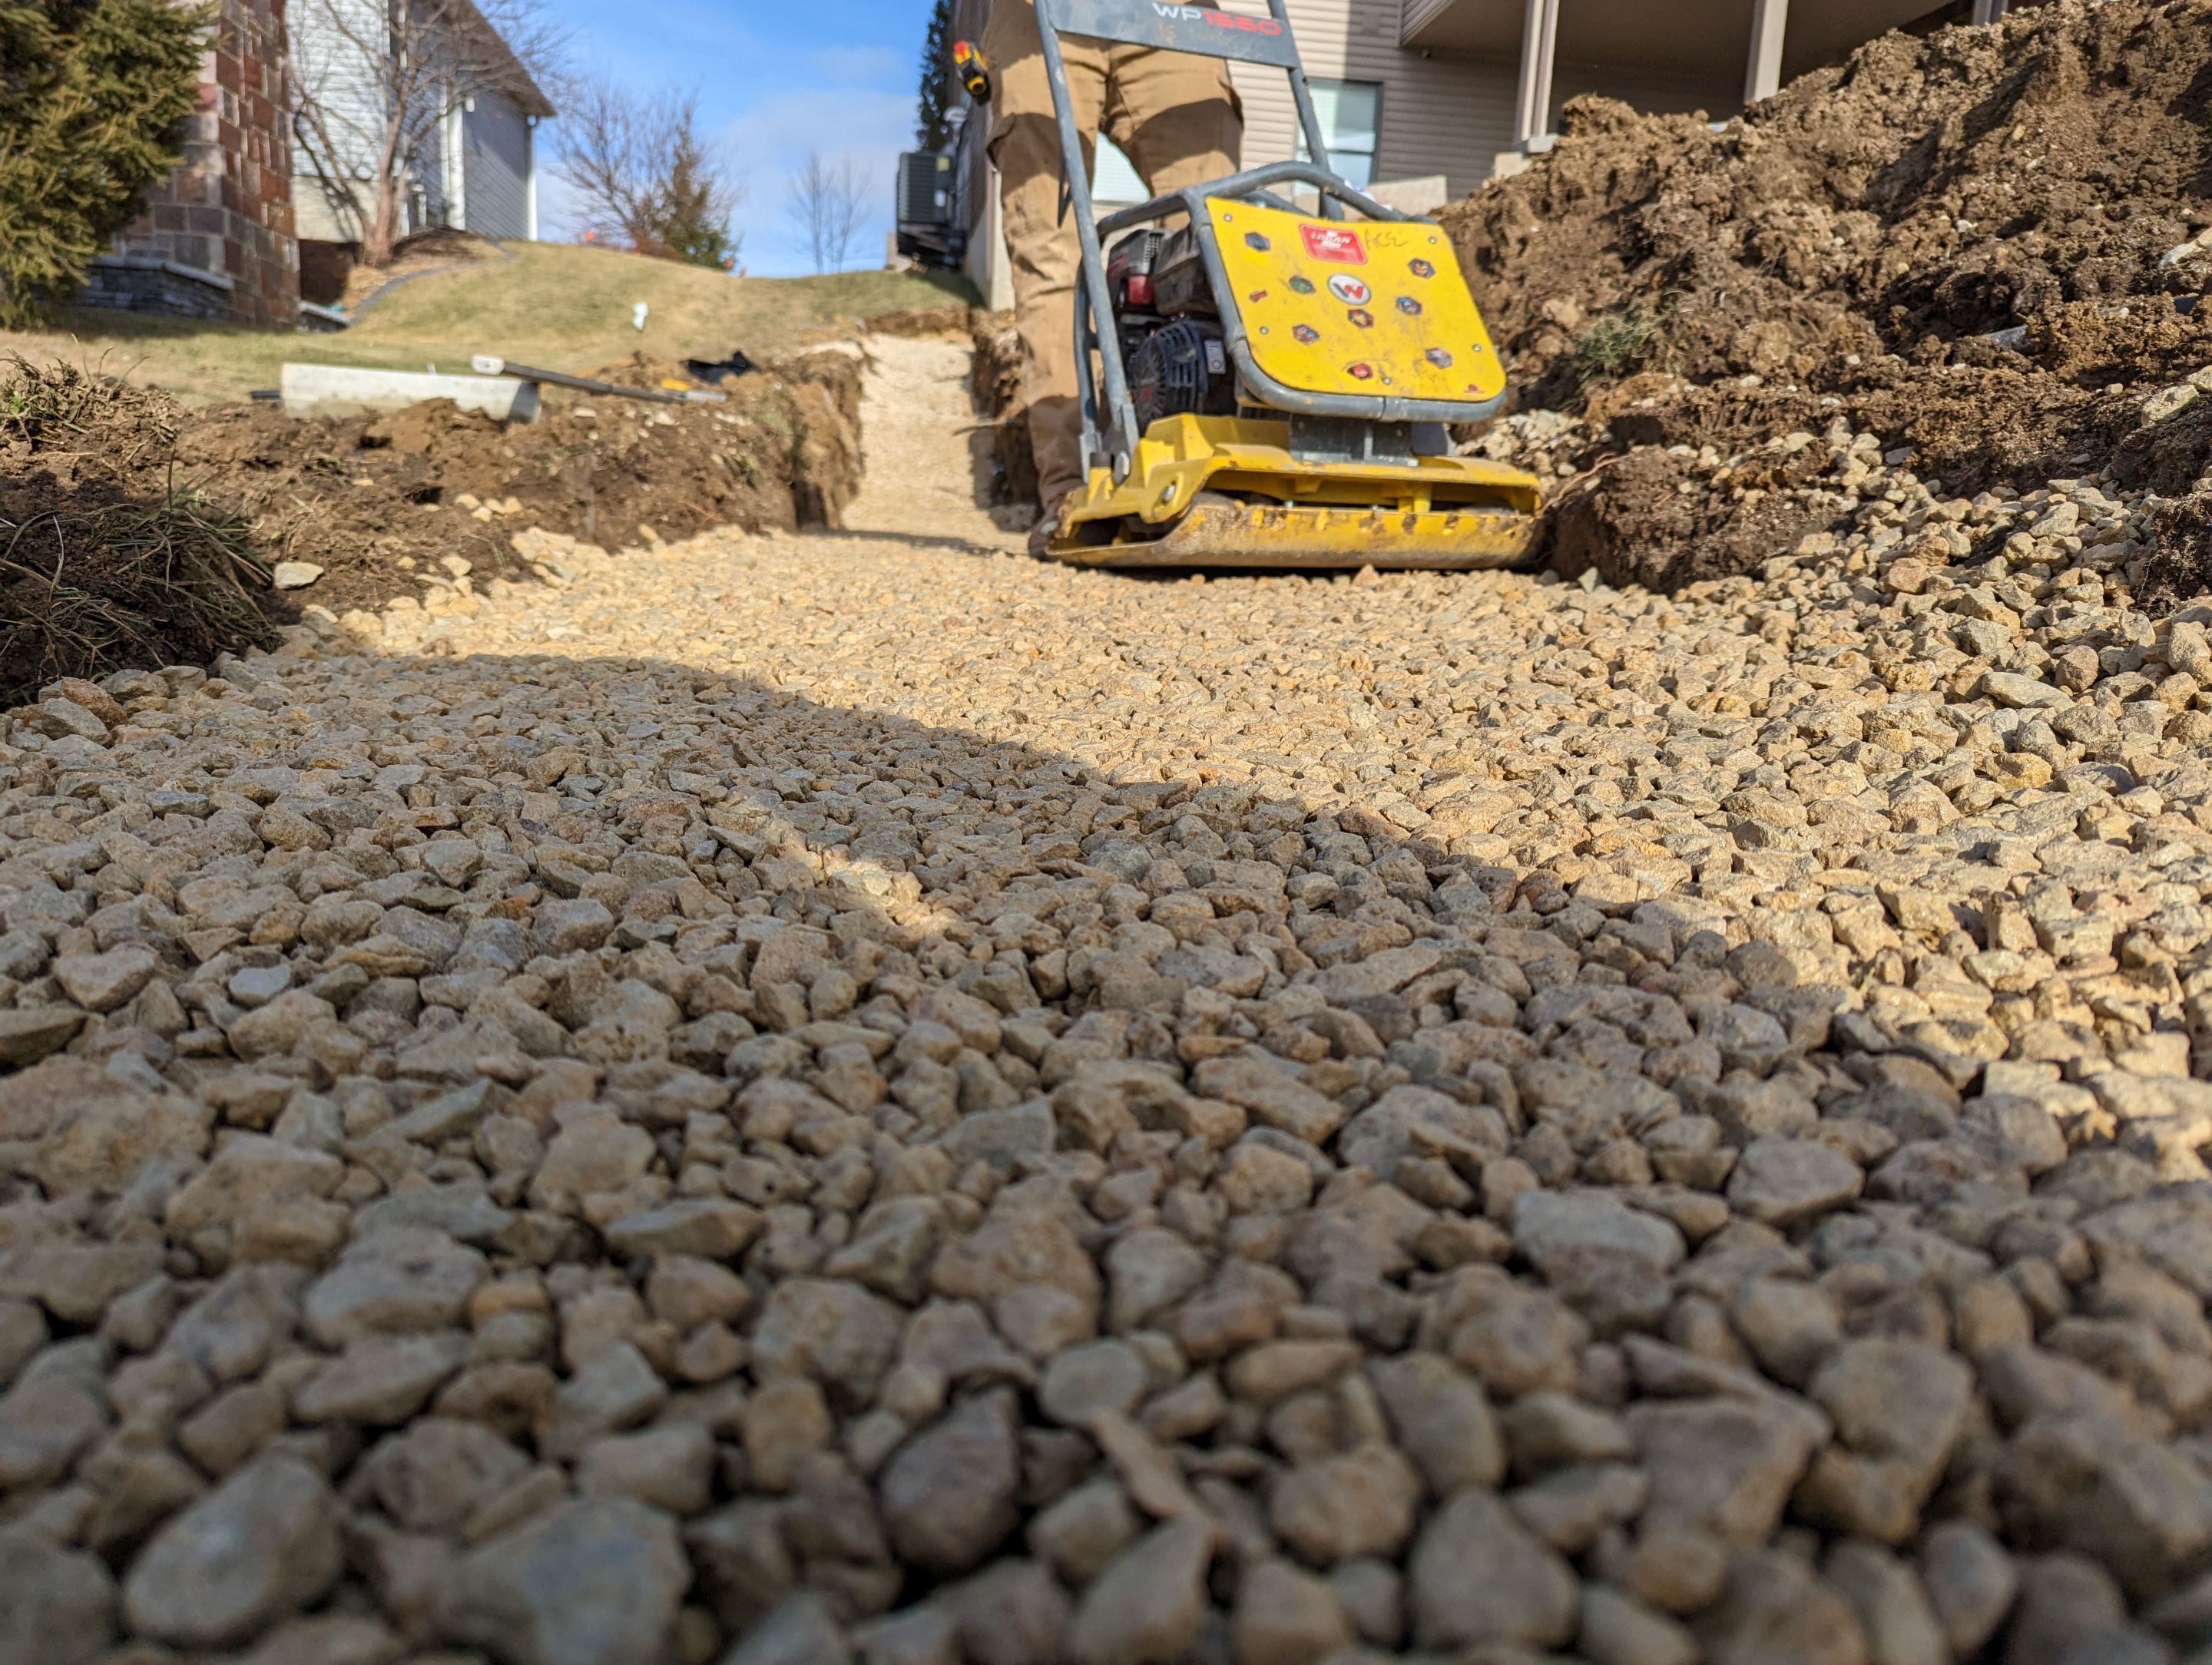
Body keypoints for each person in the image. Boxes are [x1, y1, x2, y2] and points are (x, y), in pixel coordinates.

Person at [982, 0, 1242, 553]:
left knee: (1217, 231)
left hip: (1175, 10)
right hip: (1034, 12)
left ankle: (1214, 463)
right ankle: (1074, 490)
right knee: (1050, 246)